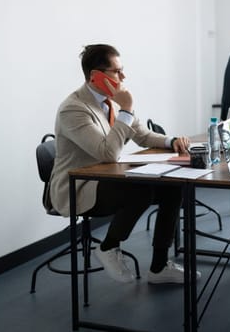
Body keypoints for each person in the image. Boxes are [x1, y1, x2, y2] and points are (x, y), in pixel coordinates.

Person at [49, 44, 200, 284]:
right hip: (78, 187)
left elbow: (143, 135)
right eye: (117, 71)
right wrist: (126, 110)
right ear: (96, 76)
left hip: (107, 178)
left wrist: (172, 141)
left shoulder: (113, 102)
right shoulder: (73, 109)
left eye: (123, 70)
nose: (123, 77)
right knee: (141, 189)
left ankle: (159, 267)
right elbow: (107, 152)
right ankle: (109, 247)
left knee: (173, 186)